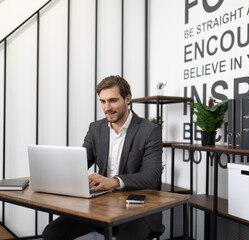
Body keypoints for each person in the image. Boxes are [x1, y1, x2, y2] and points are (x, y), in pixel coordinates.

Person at [42, 75, 163, 240]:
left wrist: (113, 181)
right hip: (101, 205)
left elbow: (152, 177)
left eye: (113, 100)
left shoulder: (149, 131)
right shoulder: (95, 128)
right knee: (52, 234)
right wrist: (59, 175)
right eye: (103, 101)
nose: (107, 107)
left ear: (128, 99)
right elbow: (80, 163)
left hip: (138, 208)